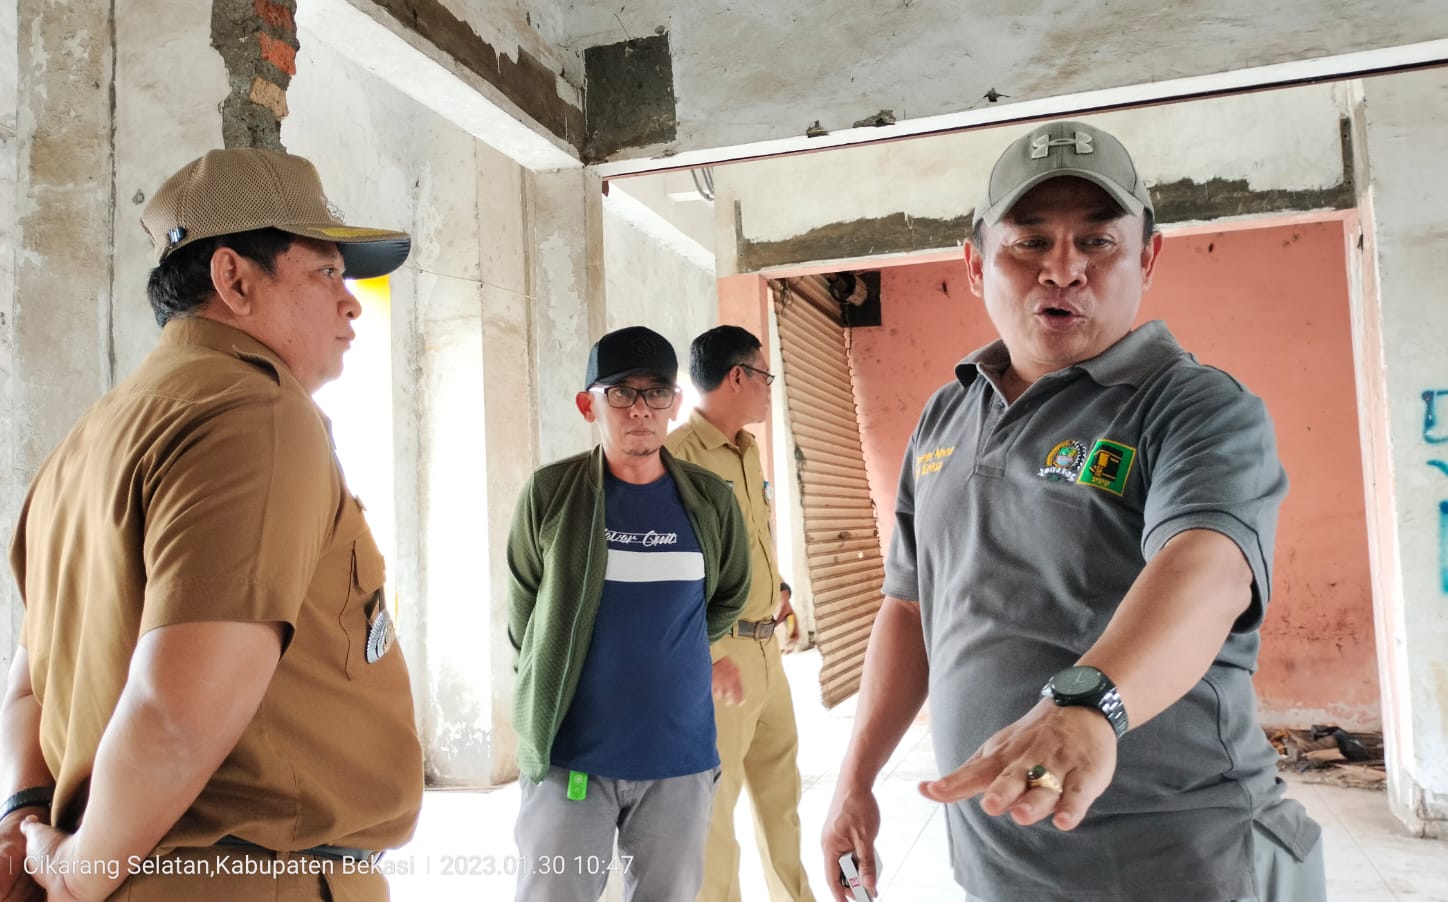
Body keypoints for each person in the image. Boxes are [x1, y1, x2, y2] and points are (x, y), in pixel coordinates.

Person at [820, 120, 1325, 902]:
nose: (1064, 270)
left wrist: (1089, 704)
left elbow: (1209, 566)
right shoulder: (943, 418)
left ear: (1147, 258)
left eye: (1097, 243)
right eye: (1029, 242)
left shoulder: (1193, 407)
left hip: (1182, 865)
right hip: (1000, 870)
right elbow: (909, 605)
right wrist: (855, 779)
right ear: (975, 259)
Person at [0, 147, 423, 902]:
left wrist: (23, 817)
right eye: (326, 272)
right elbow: (175, 713)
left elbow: (29, 688)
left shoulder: (89, 438)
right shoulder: (255, 412)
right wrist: (76, 877)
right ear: (233, 278)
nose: (351, 302)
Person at [506, 325, 751, 902]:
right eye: (621, 391)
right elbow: (524, 621)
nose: (640, 408)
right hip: (572, 762)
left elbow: (726, 596)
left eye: (656, 392)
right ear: (588, 403)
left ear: (674, 403)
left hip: (679, 762)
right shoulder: (549, 494)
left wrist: (678, 653)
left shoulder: (711, 500)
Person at [666, 325, 814, 902]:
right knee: (713, 816)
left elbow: (747, 539)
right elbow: (668, 571)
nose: (767, 390)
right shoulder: (677, 459)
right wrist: (708, 656)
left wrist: (775, 583)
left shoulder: (749, 452)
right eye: (764, 376)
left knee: (784, 802)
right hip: (721, 658)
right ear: (737, 377)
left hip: (767, 649)